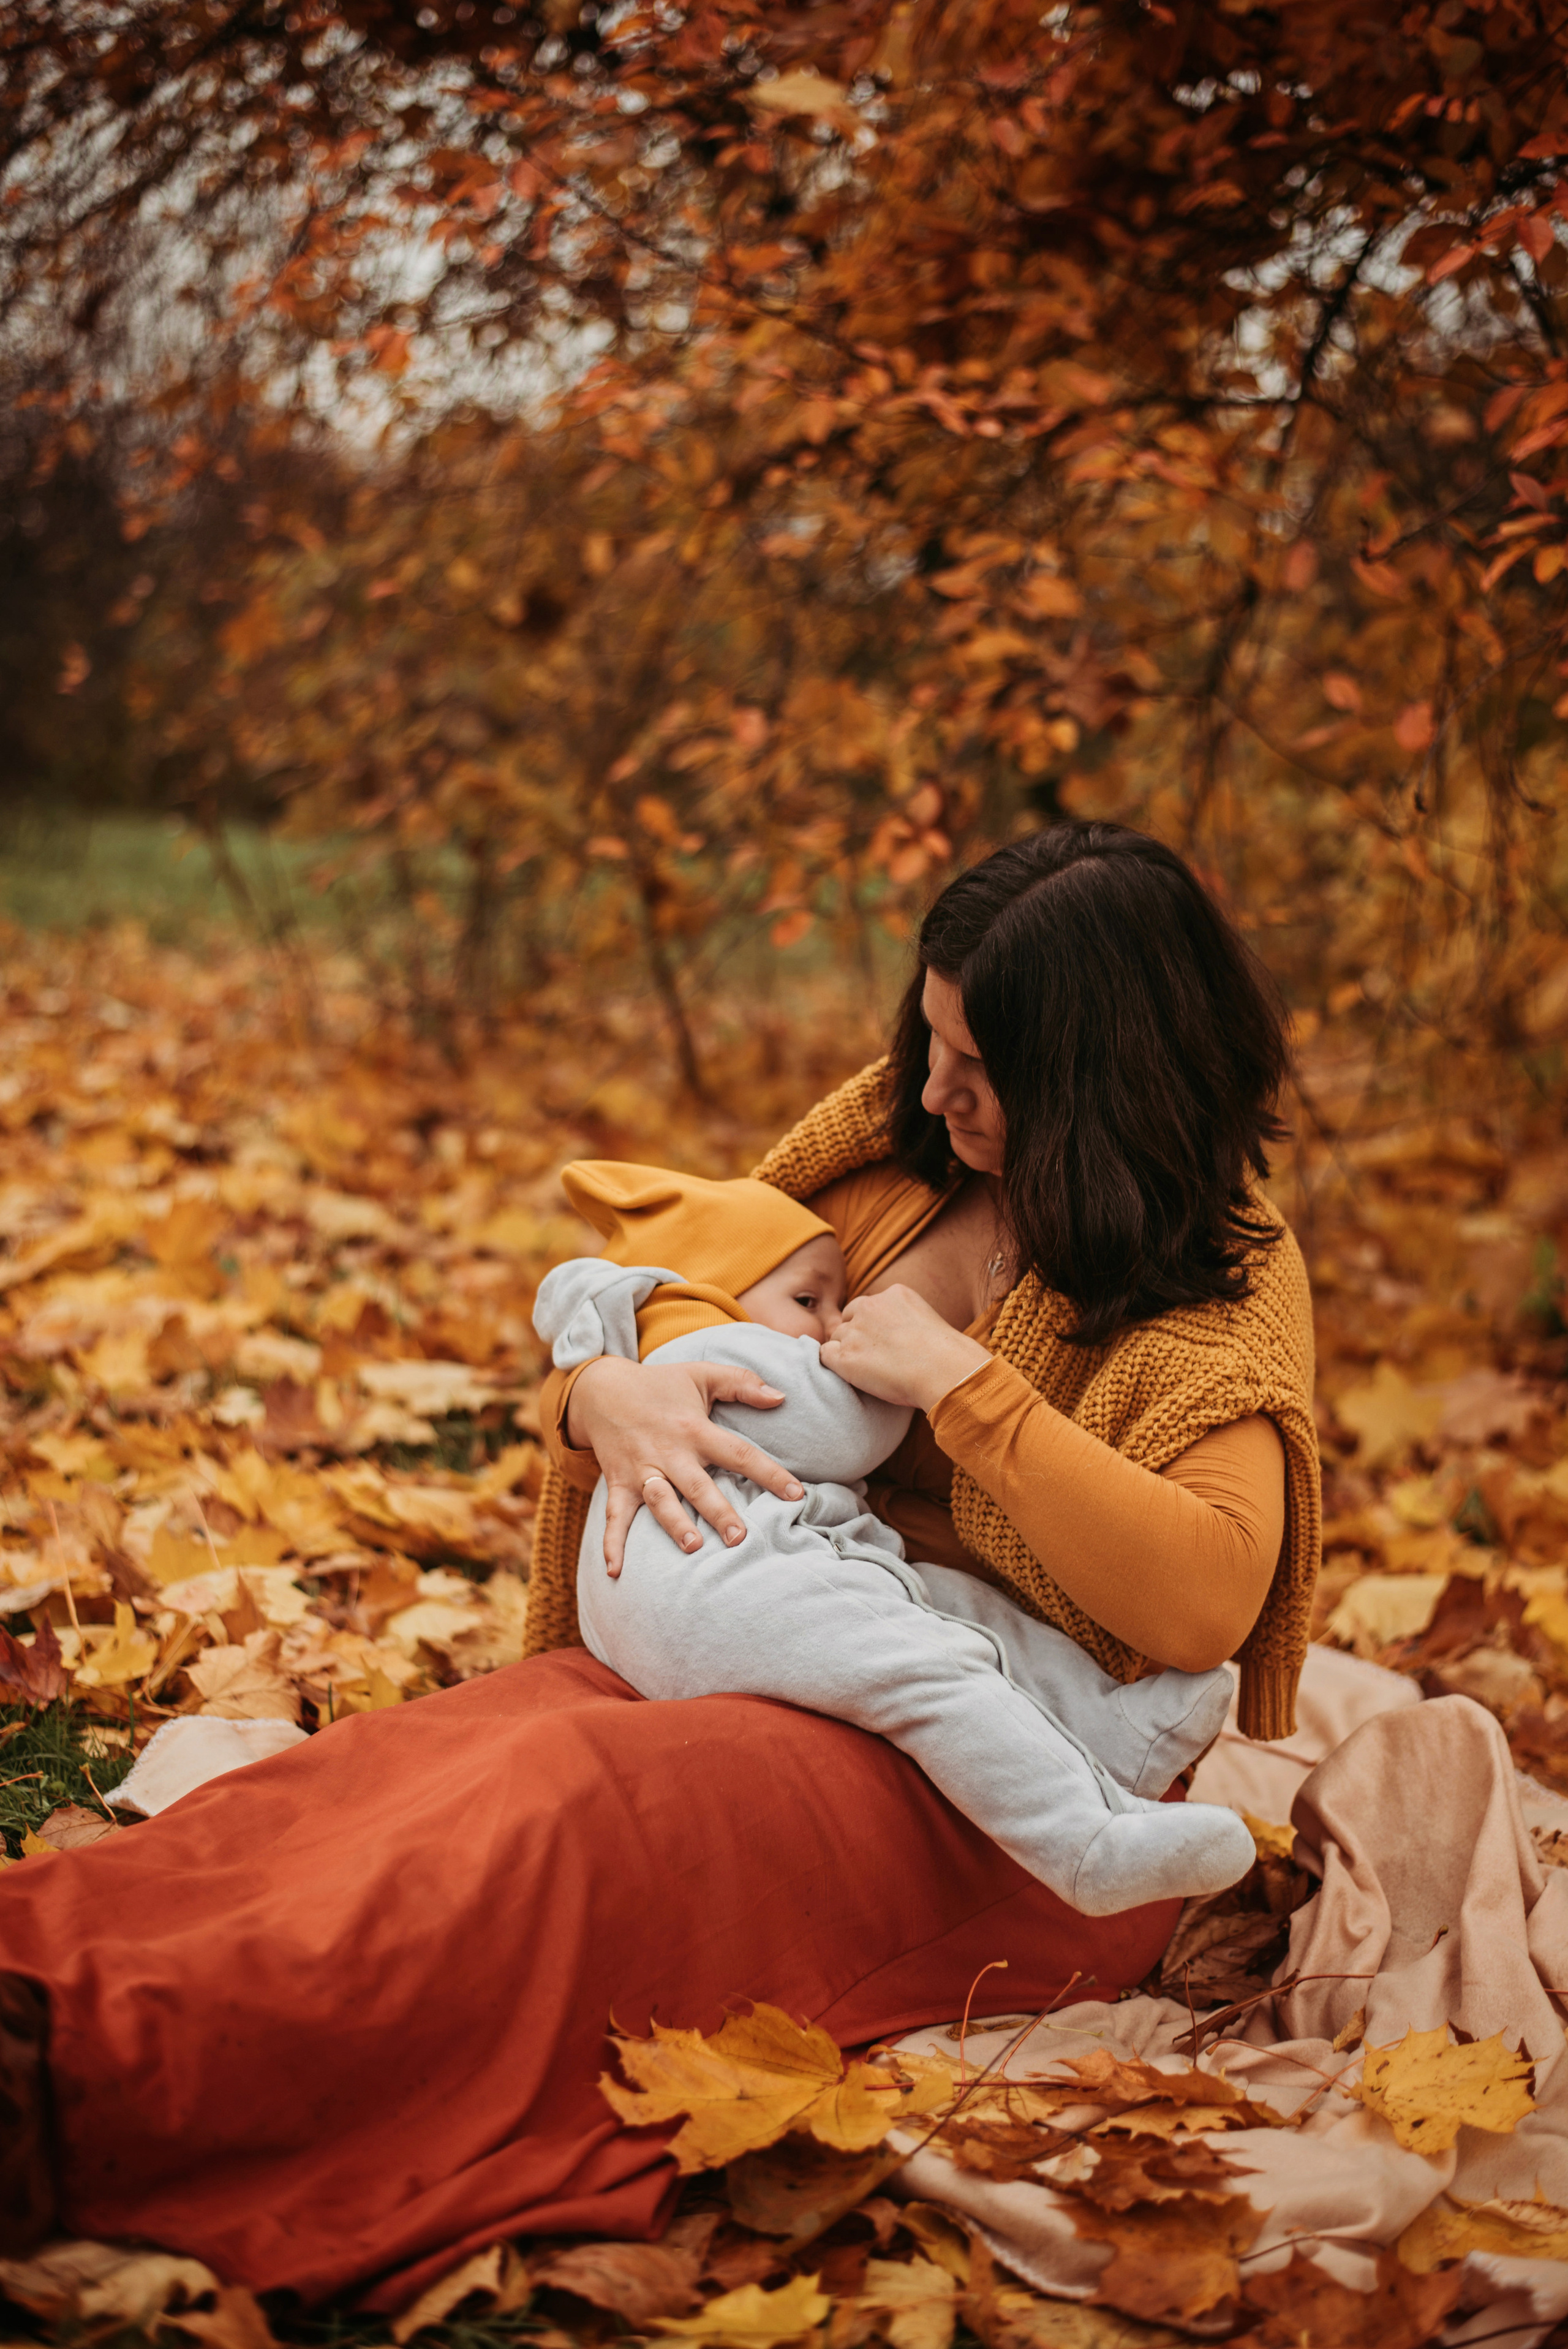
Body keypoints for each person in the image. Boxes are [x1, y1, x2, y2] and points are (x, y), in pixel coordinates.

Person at [0, 822, 1319, 2307]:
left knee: (570, 1814)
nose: (935, 1083)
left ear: (1100, 1074)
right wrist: (597, 1400)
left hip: (1008, 1771)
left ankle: (99, 2086)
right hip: (770, 1612)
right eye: (930, 1033)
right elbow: (670, 1326)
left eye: (980, 1060)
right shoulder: (887, 1157)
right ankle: (40, 1975)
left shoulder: (1214, 1267)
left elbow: (1207, 1594)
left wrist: (966, 1385)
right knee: (419, 1760)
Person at [534, 1161, 1255, 1913]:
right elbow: (841, 1432)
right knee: (934, 1671)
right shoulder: (712, 1354)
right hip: (733, 1593)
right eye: (808, 1299)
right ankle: (1081, 1841)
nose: (829, 1321)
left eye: (835, 1301)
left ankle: (1110, 1726)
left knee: (956, 1610)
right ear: (715, 1287)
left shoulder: (680, 1353)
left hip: (724, 1593)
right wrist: (906, 1369)